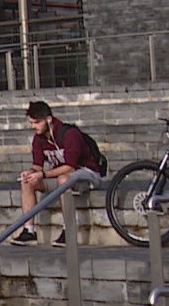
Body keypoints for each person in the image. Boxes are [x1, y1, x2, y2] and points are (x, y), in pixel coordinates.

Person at [12, 100, 103, 246]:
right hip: (61, 176)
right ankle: (29, 231)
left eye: (37, 122)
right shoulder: (39, 139)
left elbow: (70, 167)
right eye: (31, 123)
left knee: (63, 180)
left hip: (87, 173)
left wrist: (44, 174)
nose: (33, 126)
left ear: (48, 119)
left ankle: (69, 232)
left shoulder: (69, 134)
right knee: (28, 182)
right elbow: (37, 166)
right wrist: (31, 173)